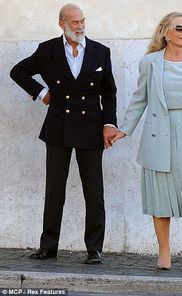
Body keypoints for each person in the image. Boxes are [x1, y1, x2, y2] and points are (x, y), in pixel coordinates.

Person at [10, 3, 117, 264]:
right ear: (62, 24)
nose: (80, 26)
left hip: (91, 127)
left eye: (82, 21)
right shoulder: (47, 50)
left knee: (94, 191)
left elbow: (109, 92)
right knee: (55, 188)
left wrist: (109, 124)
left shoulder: (101, 52)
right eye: (75, 22)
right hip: (59, 127)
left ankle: (94, 248)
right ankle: (48, 246)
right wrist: (41, 92)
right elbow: (18, 71)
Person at [112, 12, 182, 272]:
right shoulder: (150, 62)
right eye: (179, 28)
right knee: (161, 198)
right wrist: (124, 129)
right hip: (158, 134)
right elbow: (140, 99)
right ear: (165, 33)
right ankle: (164, 253)